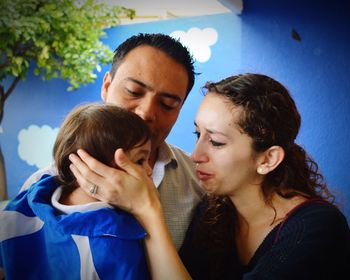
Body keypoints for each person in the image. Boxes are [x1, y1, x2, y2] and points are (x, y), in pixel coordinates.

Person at [70, 73, 349, 279]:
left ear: (267, 159)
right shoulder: (213, 213)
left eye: (215, 142)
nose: (196, 154)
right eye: (197, 134)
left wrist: (147, 209)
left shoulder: (318, 229)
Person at [20, 33, 205, 251]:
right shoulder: (44, 186)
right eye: (134, 92)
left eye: (166, 104)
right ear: (106, 86)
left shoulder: (197, 182)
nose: (146, 112)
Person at [0, 103, 153, 279]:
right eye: (141, 160)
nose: (149, 170)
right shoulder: (117, 242)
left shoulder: (22, 206)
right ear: (96, 167)